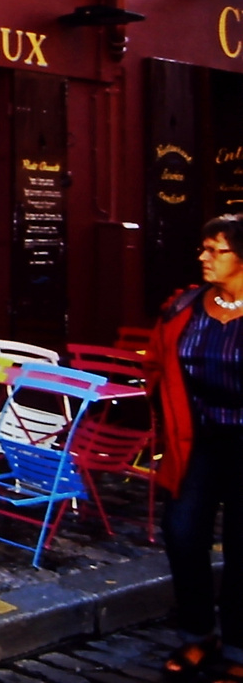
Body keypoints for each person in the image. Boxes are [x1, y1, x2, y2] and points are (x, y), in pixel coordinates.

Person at [151, 214, 243, 680]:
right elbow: (158, 363)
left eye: (216, 249)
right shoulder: (185, 305)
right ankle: (197, 632)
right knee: (183, 532)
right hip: (199, 440)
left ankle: (239, 644)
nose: (204, 257)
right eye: (203, 248)